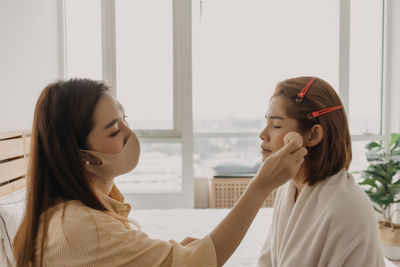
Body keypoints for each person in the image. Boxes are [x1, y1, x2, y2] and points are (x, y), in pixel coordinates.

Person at [13, 78, 307, 267]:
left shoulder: (72, 213)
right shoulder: (80, 228)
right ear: (83, 158)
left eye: (124, 118)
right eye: (115, 130)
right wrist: (260, 186)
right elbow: (199, 263)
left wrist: (169, 253)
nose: (130, 132)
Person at [257, 76, 385, 267]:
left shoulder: (345, 207)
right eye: (266, 122)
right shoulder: (288, 189)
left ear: (314, 134)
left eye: (276, 125)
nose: (262, 134)